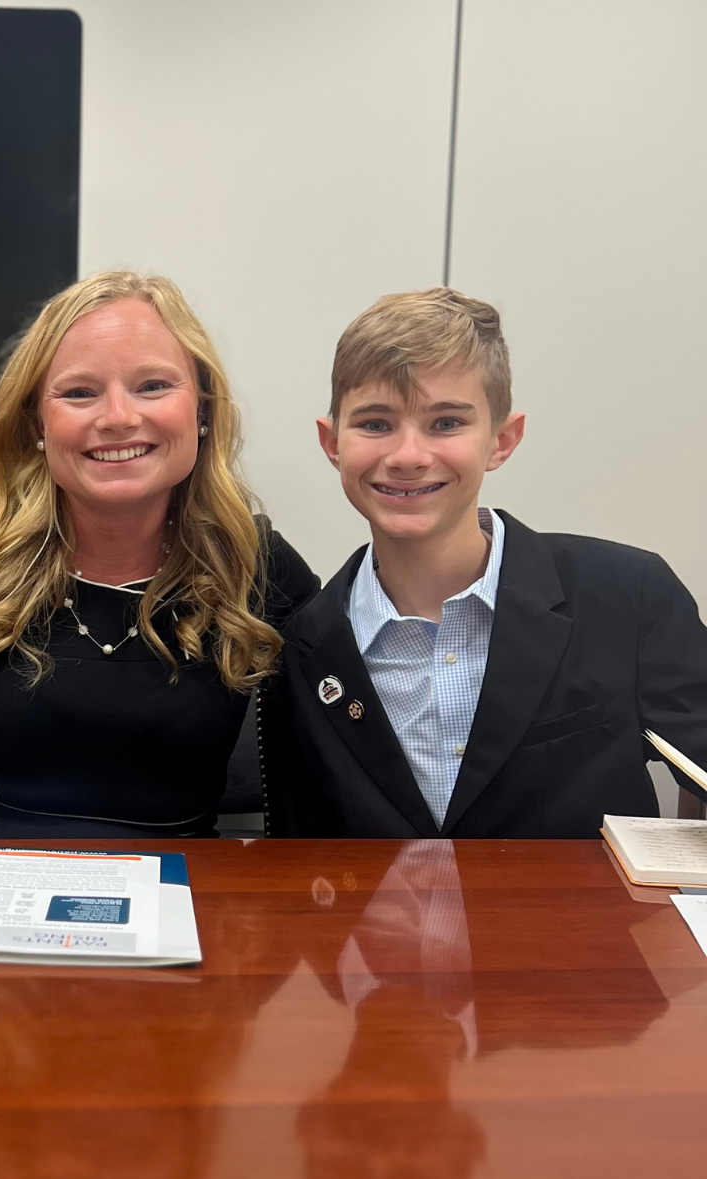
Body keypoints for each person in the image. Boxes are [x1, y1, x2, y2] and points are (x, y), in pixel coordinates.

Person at [0, 270, 319, 838]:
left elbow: (355, 754)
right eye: (80, 393)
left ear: (203, 410)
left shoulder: (255, 565)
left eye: (153, 386)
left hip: (184, 899)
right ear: (37, 420)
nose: (117, 417)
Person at [264, 287, 707, 838]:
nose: (408, 456)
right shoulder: (303, 645)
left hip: (580, 925)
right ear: (333, 444)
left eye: (446, 423)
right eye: (375, 424)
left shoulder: (627, 597)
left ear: (502, 440)